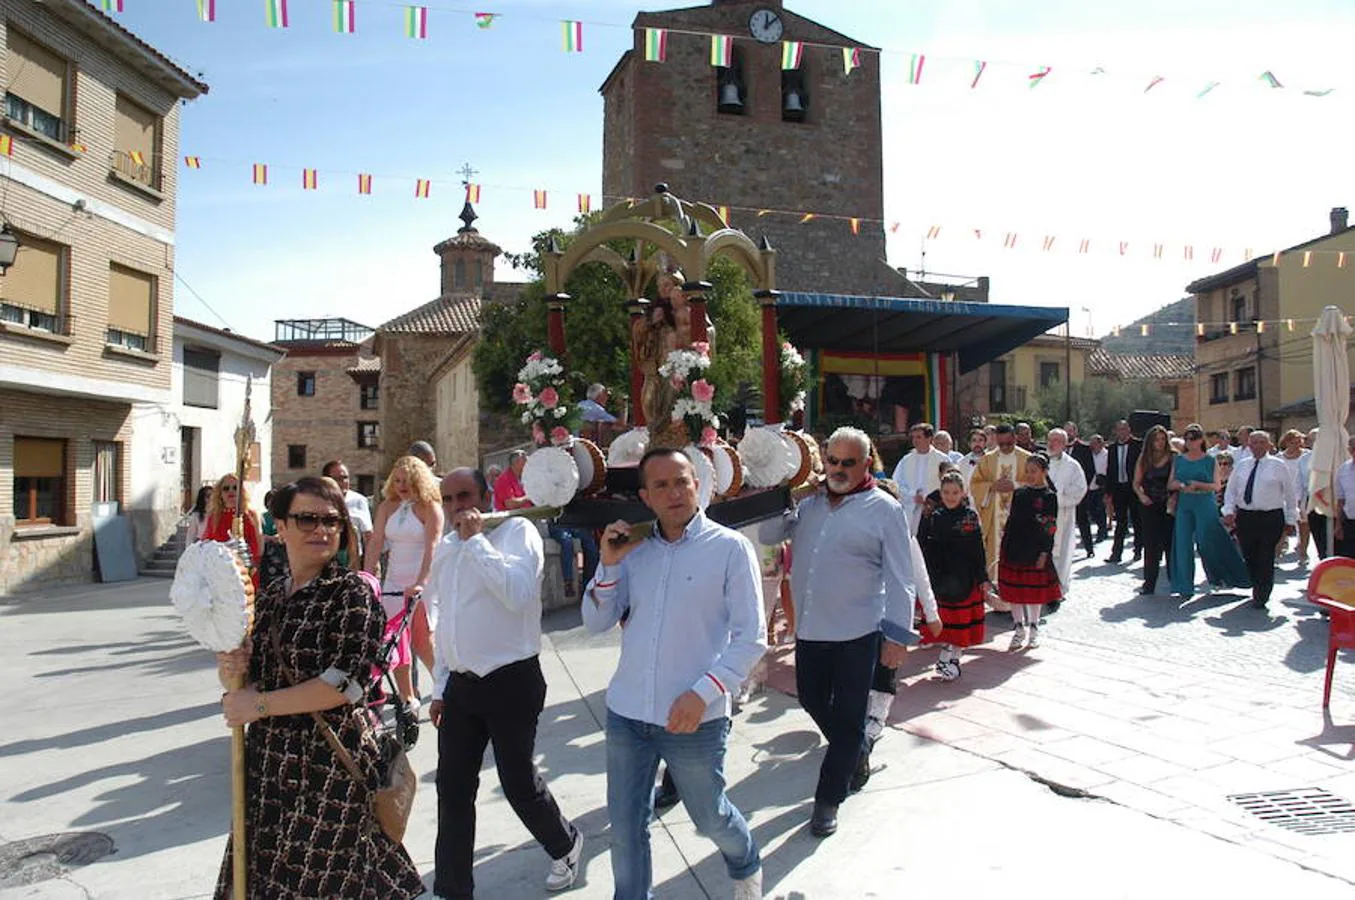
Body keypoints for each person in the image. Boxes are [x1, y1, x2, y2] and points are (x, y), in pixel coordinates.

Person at [215, 477, 423, 900]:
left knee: (330, 883)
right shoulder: (269, 597)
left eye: (332, 521)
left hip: (329, 770)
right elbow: (252, 679)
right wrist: (231, 669)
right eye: (307, 519)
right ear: (281, 527)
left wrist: (256, 705)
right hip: (269, 768)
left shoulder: (351, 594)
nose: (321, 530)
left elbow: (343, 685)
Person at [584, 448, 765, 900]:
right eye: (661, 485)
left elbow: (751, 637)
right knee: (626, 830)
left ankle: (744, 862)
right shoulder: (634, 551)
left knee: (709, 818)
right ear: (646, 496)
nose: (674, 493)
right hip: (628, 713)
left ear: (697, 485)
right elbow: (595, 622)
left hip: (695, 719)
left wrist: (702, 693)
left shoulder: (729, 548)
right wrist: (608, 564)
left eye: (681, 481)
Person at [761, 427, 936, 837]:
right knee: (813, 700)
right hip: (810, 630)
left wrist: (897, 637)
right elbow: (769, 536)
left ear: (866, 463)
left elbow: (900, 578)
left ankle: (828, 799)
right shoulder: (809, 506)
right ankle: (856, 751)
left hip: (859, 632)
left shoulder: (884, 509)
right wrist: (787, 498)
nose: (838, 470)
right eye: (832, 461)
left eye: (848, 463)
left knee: (850, 715)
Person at [427, 468, 584, 898]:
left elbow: (517, 594)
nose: (458, 506)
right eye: (449, 499)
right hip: (462, 686)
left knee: (517, 783)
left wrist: (477, 542)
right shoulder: (446, 548)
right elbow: (445, 622)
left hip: (511, 680)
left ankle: (565, 844)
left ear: (484, 495)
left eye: (465, 495)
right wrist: (441, 687)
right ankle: (452, 889)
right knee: (453, 790)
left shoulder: (518, 532)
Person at [365, 455, 444, 711]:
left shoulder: (430, 507)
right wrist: (366, 578)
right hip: (393, 580)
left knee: (422, 641)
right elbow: (376, 542)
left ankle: (445, 687)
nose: (401, 485)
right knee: (393, 640)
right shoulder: (387, 507)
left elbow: (433, 547)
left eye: (406, 480)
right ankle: (407, 697)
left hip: (422, 578)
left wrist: (421, 582)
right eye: (397, 480)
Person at [917, 471, 991, 680]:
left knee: (961, 622)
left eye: (955, 492)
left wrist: (983, 577)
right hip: (939, 576)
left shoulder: (969, 516)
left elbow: (978, 548)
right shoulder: (934, 516)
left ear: (963, 493)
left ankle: (951, 658)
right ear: (940, 493)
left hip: (964, 577)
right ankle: (948, 656)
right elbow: (923, 545)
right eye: (946, 492)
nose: (950, 496)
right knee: (945, 623)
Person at [1168, 425, 1251, 597]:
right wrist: (1182, 485)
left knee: (1206, 541)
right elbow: (1170, 483)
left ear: (1201, 440)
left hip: (1205, 503)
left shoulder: (1209, 460)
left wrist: (1198, 485)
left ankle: (1223, 575)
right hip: (1185, 504)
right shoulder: (1179, 460)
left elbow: (1217, 485)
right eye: (1187, 438)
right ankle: (1184, 585)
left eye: (1194, 438)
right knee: (1182, 543)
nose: (1190, 442)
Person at [1223, 431, 1298, 608]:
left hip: (1270, 516)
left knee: (1265, 554)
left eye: (1261, 442)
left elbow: (1290, 494)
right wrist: (1228, 510)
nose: (1257, 446)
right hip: (1246, 516)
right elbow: (1231, 491)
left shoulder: (1278, 466)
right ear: (1249, 445)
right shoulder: (1242, 466)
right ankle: (1256, 583)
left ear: (1268, 445)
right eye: (1254, 443)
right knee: (1249, 554)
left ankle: (1262, 593)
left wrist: (1290, 519)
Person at [999, 454, 1061, 650]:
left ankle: (1034, 628)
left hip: (1035, 550)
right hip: (1014, 547)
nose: (1030, 475)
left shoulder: (1049, 497)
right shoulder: (1020, 493)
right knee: (1015, 592)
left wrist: (1045, 552)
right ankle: (1018, 628)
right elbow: (1012, 519)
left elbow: (1050, 527)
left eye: (1034, 471)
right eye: (1028, 471)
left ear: (1044, 472)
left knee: (1033, 593)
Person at [969, 423, 1040, 589]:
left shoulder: (1027, 458)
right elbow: (975, 484)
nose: (1005, 447)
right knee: (994, 552)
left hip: (1021, 517)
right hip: (994, 517)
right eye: (1001, 444)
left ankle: (1019, 587)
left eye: (1009, 443)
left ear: (1015, 438)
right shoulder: (988, 459)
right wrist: (992, 486)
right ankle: (997, 588)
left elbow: (1038, 484)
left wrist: (1015, 485)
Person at [1045, 429, 1088, 600]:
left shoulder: (1072, 466)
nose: (1052, 443)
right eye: (1050, 439)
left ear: (1064, 444)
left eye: (1056, 440)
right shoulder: (1040, 462)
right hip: (1042, 516)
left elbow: (1080, 489)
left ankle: (1058, 588)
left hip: (1063, 515)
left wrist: (1059, 498)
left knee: (1061, 551)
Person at [1133, 425, 1176, 595]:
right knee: (1151, 545)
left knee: (1170, 544)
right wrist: (1141, 496)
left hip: (1169, 505)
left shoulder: (1174, 457)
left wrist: (1173, 498)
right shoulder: (1144, 458)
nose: (1160, 442)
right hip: (1149, 505)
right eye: (1156, 439)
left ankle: (1176, 581)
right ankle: (1149, 583)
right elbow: (1136, 483)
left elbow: (1175, 481)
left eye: (1163, 439)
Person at [891, 422, 948, 533]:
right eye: (913, 437)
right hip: (910, 507)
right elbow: (896, 483)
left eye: (919, 437)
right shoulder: (906, 460)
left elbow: (949, 482)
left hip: (934, 508)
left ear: (929, 438)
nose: (915, 440)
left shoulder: (942, 459)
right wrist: (912, 495)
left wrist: (928, 497)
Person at [201, 474, 263, 577]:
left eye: (235, 488)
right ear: (220, 493)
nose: (231, 491)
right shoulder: (214, 516)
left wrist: (255, 566)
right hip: (220, 571)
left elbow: (259, 544)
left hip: (247, 569)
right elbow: (206, 543)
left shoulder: (250, 514)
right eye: (226, 488)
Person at [1105, 419, 1144, 564]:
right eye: (1119, 429)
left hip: (1134, 487)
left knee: (1137, 521)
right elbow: (1110, 470)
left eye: (1124, 429)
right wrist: (1108, 492)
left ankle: (1138, 550)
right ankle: (1116, 553)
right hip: (1119, 489)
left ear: (1129, 430)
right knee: (1120, 522)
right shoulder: (1112, 448)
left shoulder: (1138, 445)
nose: (1121, 432)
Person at [1277, 430, 1309, 561]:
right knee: (1283, 524)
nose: (1295, 445)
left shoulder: (1306, 456)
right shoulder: (1279, 457)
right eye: (1292, 442)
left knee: (1303, 523)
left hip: (1301, 493)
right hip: (1283, 494)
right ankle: (1278, 550)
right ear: (1286, 442)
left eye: (1298, 442)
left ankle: (1303, 551)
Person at [1332, 435, 1355, 558]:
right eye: (1353, 449)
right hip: (1350, 521)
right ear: (1349, 450)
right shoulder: (1343, 469)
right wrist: (1338, 524)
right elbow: (1340, 499)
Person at [1089, 434, 1109, 542]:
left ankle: (1102, 531)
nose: (1092, 445)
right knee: (1092, 510)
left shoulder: (1107, 455)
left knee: (1100, 509)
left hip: (1102, 485)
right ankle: (1101, 527)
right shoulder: (1089, 454)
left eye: (1094, 443)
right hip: (1091, 484)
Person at [959, 428, 987, 500]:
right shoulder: (962, 462)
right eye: (974, 440)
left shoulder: (991, 461)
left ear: (985, 443)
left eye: (980, 440)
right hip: (968, 501)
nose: (977, 443)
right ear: (969, 443)